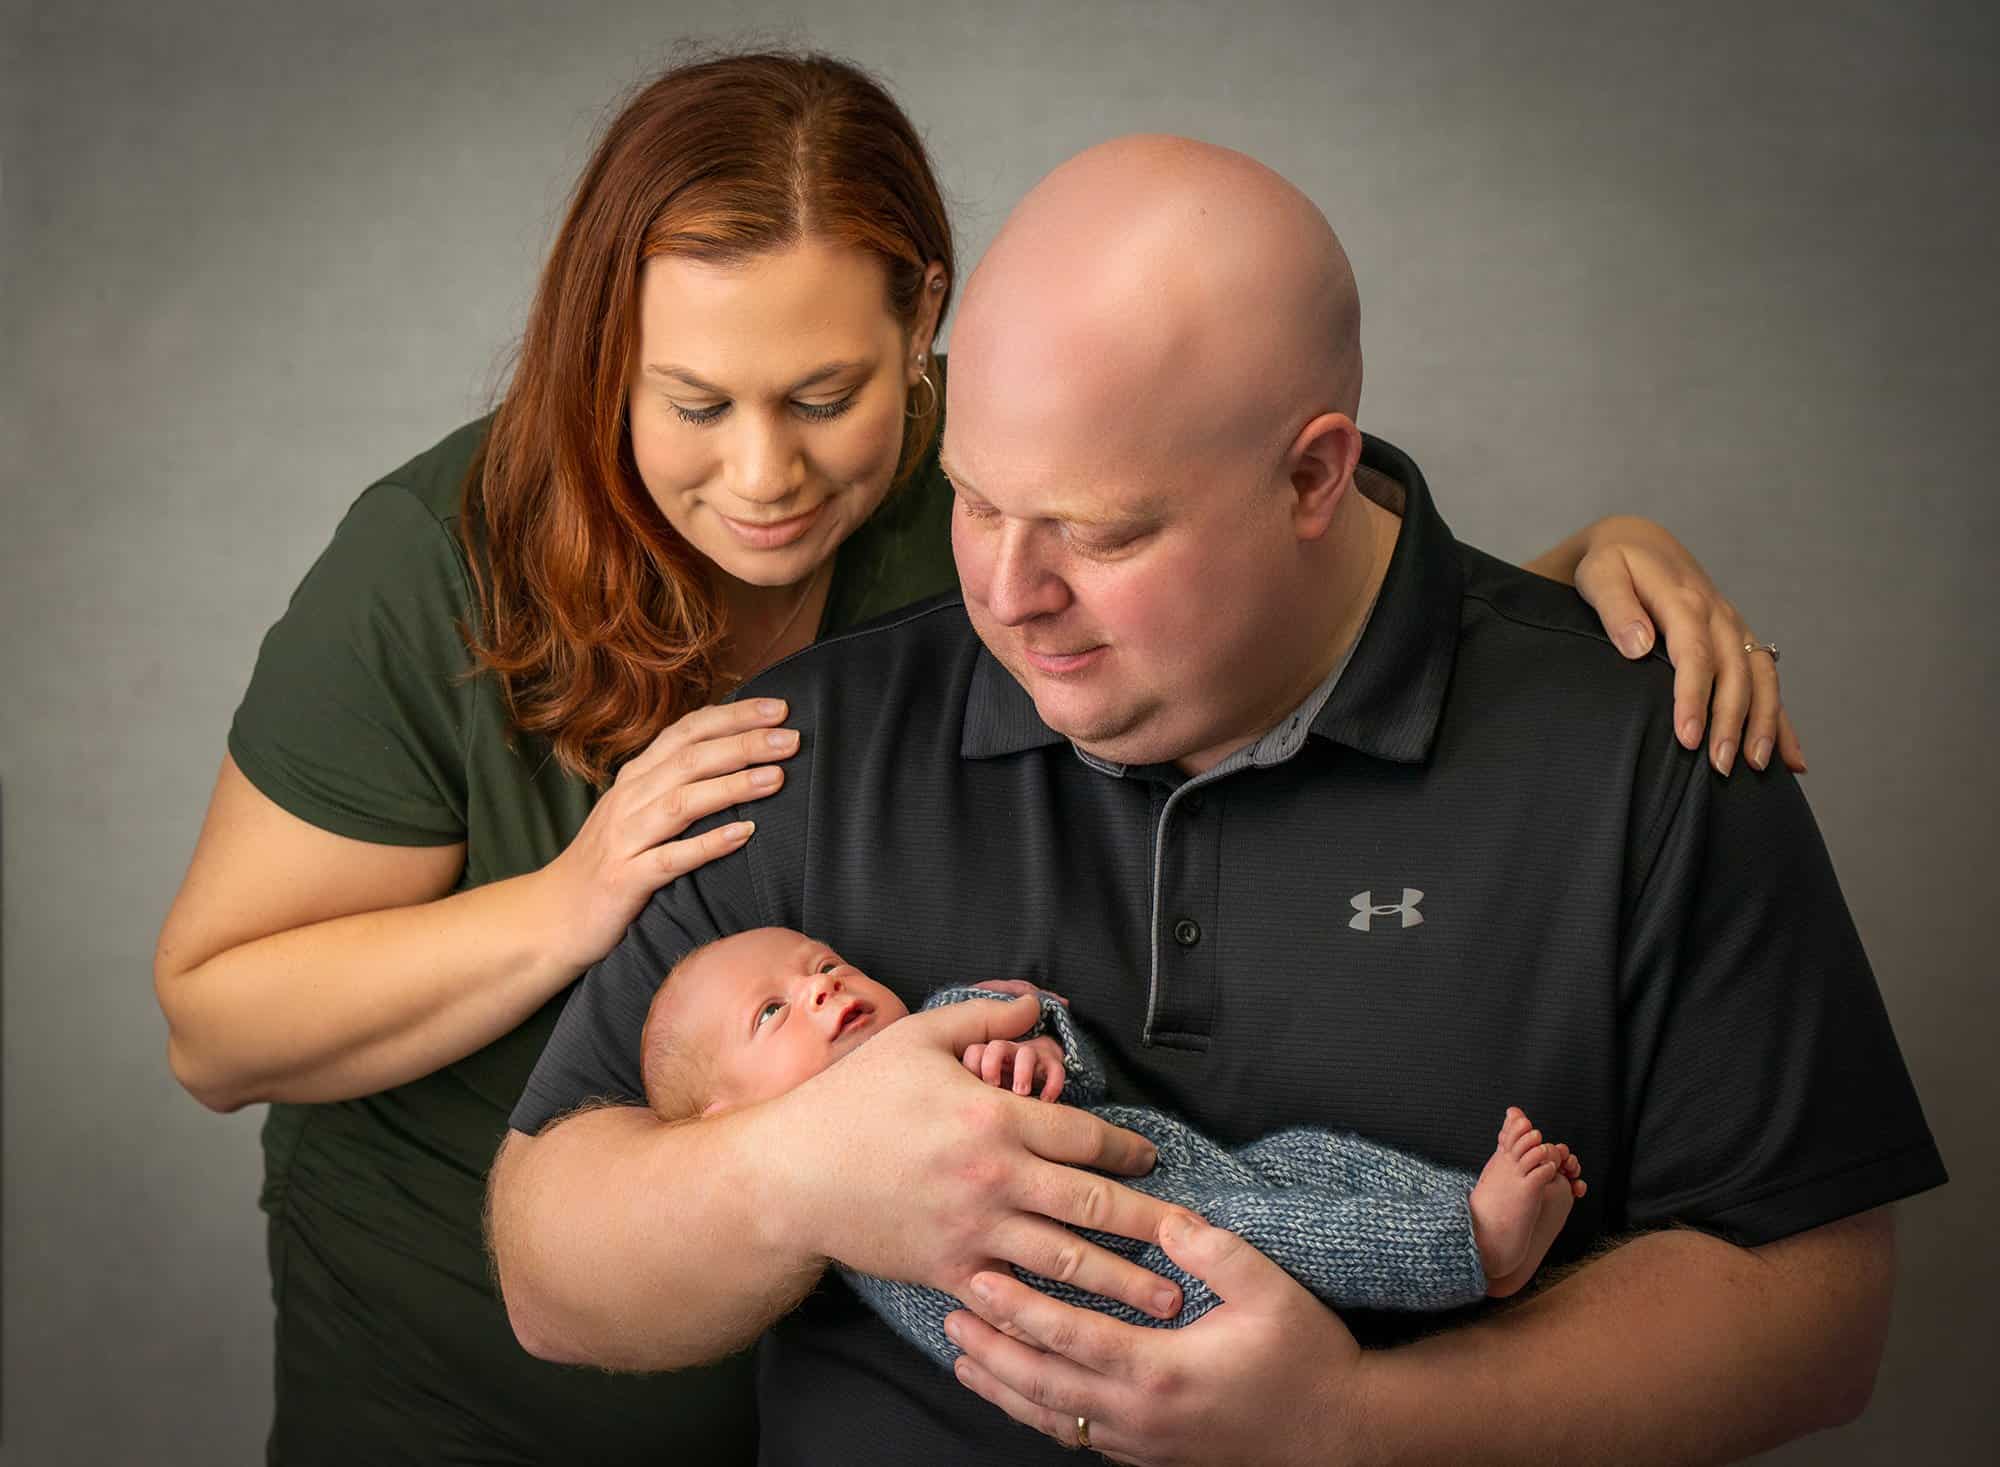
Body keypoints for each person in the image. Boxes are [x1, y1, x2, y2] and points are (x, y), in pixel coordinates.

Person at [152, 50, 1806, 1466]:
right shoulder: (432, 564)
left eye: (825, 394)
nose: (767, 476)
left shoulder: (973, 505)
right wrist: (578, 900)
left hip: (830, 1371)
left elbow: (1267, 571)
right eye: (692, 403)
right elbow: (216, 1025)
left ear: (924, 328)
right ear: (606, 364)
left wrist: (1575, 577)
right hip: (473, 1393)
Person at [490, 133, 1945, 1466]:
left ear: (1313, 473)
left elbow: (1812, 1310)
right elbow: (549, 1264)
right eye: (978, 500)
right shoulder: (811, 746)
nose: (1007, 590)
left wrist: (1354, 1423)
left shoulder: (1646, 742)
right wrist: (796, 1175)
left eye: (1100, 532)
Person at [639, 927, 1589, 1372]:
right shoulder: (799, 1215)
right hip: (1136, 1292)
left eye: (823, 967)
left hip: (1181, 1181)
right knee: (1270, 1242)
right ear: (730, 1121)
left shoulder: (927, 1036)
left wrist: (1036, 1047)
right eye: (773, 1012)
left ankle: (1469, 1224)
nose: (819, 990)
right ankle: (1473, 1246)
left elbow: (1038, 1021)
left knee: (1308, 1164)